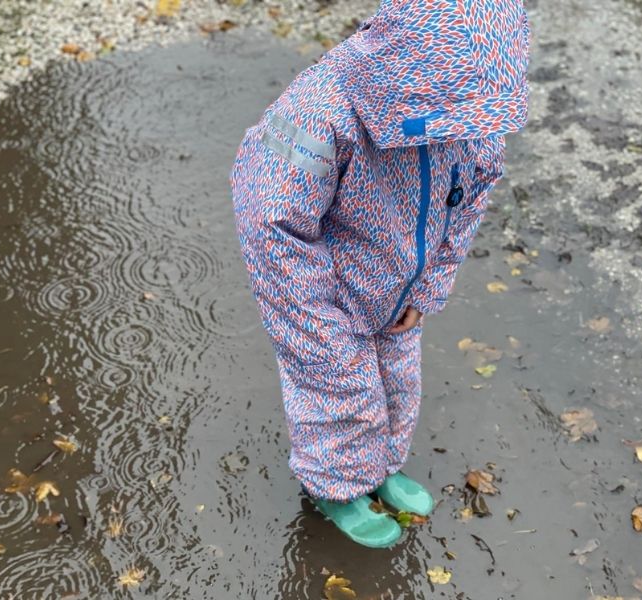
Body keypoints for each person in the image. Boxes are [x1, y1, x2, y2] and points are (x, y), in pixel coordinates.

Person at [231, 0, 530, 548]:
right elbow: (269, 216)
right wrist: (312, 317)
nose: (459, 131)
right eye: (443, 117)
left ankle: (378, 467)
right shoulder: (320, 111)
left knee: (397, 383)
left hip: (397, 287)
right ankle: (336, 487)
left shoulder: (473, 115)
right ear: (409, 73)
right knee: (340, 392)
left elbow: (470, 197)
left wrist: (429, 284)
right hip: (319, 289)